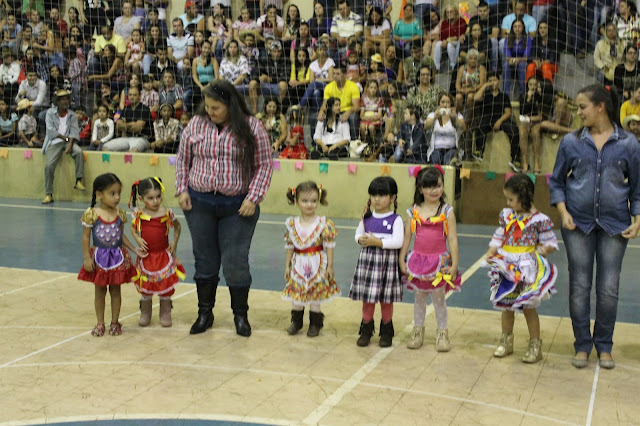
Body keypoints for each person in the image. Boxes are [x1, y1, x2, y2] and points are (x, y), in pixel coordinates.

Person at [549, 84, 640, 370]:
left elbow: (637, 187)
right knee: (579, 286)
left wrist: (637, 218)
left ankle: (604, 345)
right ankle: (582, 345)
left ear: (601, 107)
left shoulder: (629, 144)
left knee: (609, 288)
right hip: (577, 224)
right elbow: (557, 181)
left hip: (616, 226)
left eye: (582, 107)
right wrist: (563, 212)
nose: (578, 112)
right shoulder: (571, 142)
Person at [176, 81, 273, 337]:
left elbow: (264, 164)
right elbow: (183, 159)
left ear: (230, 104)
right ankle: (204, 313)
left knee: (235, 261)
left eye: (215, 108)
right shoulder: (196, 124)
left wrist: (253, 197)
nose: (210, 112)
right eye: (207, 107)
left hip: (238, 207)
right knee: (204, 260)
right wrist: (182, 189)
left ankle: (240, 316)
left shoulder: (252, 127)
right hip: (199, 203)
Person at [484, 173, 559, 363]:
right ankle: (506, 341)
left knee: (528, 307)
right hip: (508, 266)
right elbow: (500, 235)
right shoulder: (507, 215)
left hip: (526, 268)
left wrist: (543, 250)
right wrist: (492, 250)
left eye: (511, 199)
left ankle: (535, 345)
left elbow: (551, 241)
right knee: (506, 306)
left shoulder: (538, 219)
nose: (508, 203)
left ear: (523, 197)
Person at [399, 166, 461, 350]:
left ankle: (442, 333)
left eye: (438, 186)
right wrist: (402, 258)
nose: (434, 190)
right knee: (419, 298)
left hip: (439, 263)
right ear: (420, 189)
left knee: (439, 299)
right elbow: (407, 237)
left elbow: (453, 239)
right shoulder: (413, 211)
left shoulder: (447, 211)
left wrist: (454, 264)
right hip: (418, 262)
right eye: (429, 186)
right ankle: (418, 331)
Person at [78, 173, 142, 337]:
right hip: (99, 259)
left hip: (117, 259)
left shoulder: (120, 213)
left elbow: (121, 236)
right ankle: (100, 322)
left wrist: (134, 249)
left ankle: (115, 322)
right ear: (99, 194)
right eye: (112, 193)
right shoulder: (92, 213)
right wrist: (87, 257)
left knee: (116, 290)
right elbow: (85, 237)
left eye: (119, 193)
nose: (117, 197)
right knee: (100, 291)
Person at [349, 176, 404, 347]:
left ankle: (386, 331)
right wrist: (360, 240)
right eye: (373, 195)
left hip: (387, 266)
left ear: (393, 197)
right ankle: (366, 329)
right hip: (368, 265)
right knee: (368, 300)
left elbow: (398, 242)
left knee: (386, 300)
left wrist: (378, 242)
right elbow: (357, 234)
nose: (377, 199)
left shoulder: (396, 219)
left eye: (382, 195)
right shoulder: (366, 217)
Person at [282, 181, 340, 337]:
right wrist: (287, 266)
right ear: (296, 201)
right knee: (297, 294)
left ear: (319, 200)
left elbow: (329, 245)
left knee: (315, 295)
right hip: (298, 264)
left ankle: (315, 324)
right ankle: (297, 322)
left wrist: (330, 266)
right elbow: (290, 246)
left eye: (313, 201)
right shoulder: (292, 224)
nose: (309, 205)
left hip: (317, 264)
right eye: (305, 201)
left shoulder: (324, 224)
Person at [129, 177, 185, 328]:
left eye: (158, 196)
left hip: (163, 256)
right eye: (150, 198)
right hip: (146, 257)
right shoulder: (138, 214)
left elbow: (178, 226)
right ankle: (145, 312)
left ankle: (165, 312)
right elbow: (132, 228)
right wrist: (137, 239)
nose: (156, 201)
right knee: (146, 286)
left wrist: (174, 243)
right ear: (141, 198)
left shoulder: (167, 213)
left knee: (164, 285)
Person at [41, 89, 84, 205]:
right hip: (54, 142)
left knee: (79, 152)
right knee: (49, 166)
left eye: (67, 99)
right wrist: (66, 139)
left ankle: (79, 180)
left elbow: (74, 131)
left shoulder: (72, 115)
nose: (66, 101)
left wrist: (70, 144)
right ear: (58, 101)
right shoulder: (50, 113)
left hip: (68, 142)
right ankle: (49, 194)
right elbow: (51, 131)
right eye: (63, 99)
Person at [471, 71, 520, 169]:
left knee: (514, 130)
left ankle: (515, 159)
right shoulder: (484, 95)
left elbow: (508, 112)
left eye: (494, 80)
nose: (492, 82)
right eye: (490, 80)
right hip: (487, 118)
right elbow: (475, 98)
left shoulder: (504, 96)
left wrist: (499, 121)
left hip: (501, 119)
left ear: (499, 81)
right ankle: (479, 152)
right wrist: (484, 86)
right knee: (480, 126)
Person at [320, 63, 360, 140]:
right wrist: (321, 111)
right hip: (333, 111)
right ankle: (317, 143)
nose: (335, 76)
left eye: (338, 74)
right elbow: (325, 104)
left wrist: (348, 112)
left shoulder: (353, 86)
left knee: (353, 117)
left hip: (347, 111)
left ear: (345, 74)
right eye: (334, 73)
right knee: (315, 117)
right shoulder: (328, 87)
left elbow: (357, 107)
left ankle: (354, 142)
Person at [425, 93, 465, 165]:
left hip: (452, 149)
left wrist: (455, 118)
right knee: (435, 160)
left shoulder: (457, 115)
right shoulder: (432, 115)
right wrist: (435, 117)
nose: (445, 105)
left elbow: (464, 127)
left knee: (447, 161)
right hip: (436, 149)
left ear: (451, 104)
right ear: (439, 103)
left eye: (448, 102)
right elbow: (426, 127)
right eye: (442, 102)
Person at [518, 76, 542, 173]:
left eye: (535, 85)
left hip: (536, 121)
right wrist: (528, 98)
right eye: (531, 84)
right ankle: (525, 162)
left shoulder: (540, 97)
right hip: (525, 121)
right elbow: (522, 112)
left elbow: (540, 116)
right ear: (527, 85)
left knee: (536, 133)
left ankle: (536, 163)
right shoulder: (522, 96)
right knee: (522, 133)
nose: (533, 87)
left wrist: (530, 118)